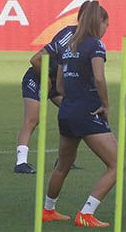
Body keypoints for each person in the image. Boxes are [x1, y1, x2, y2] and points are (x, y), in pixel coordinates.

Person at [40, 1, 117, 228]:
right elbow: (100, 78)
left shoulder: (70, 45)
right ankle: (86, 213)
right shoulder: (95, 45)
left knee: (63, 164)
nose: (106, 29)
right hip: (88, 112)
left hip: (67, 111)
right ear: (99, 22)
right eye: (106, 24)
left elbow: (60, 84)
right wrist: (105, 104)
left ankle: (48, 209)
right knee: (116, 165)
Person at [14, 14, 82, 173]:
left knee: (75, 113)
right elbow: (35, 60)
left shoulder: (90, 42)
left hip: (56, 82)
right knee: (32, 119)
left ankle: (65, 159)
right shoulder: (68, 35)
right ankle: (21, 163)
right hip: (38, 78)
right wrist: (46, 79)